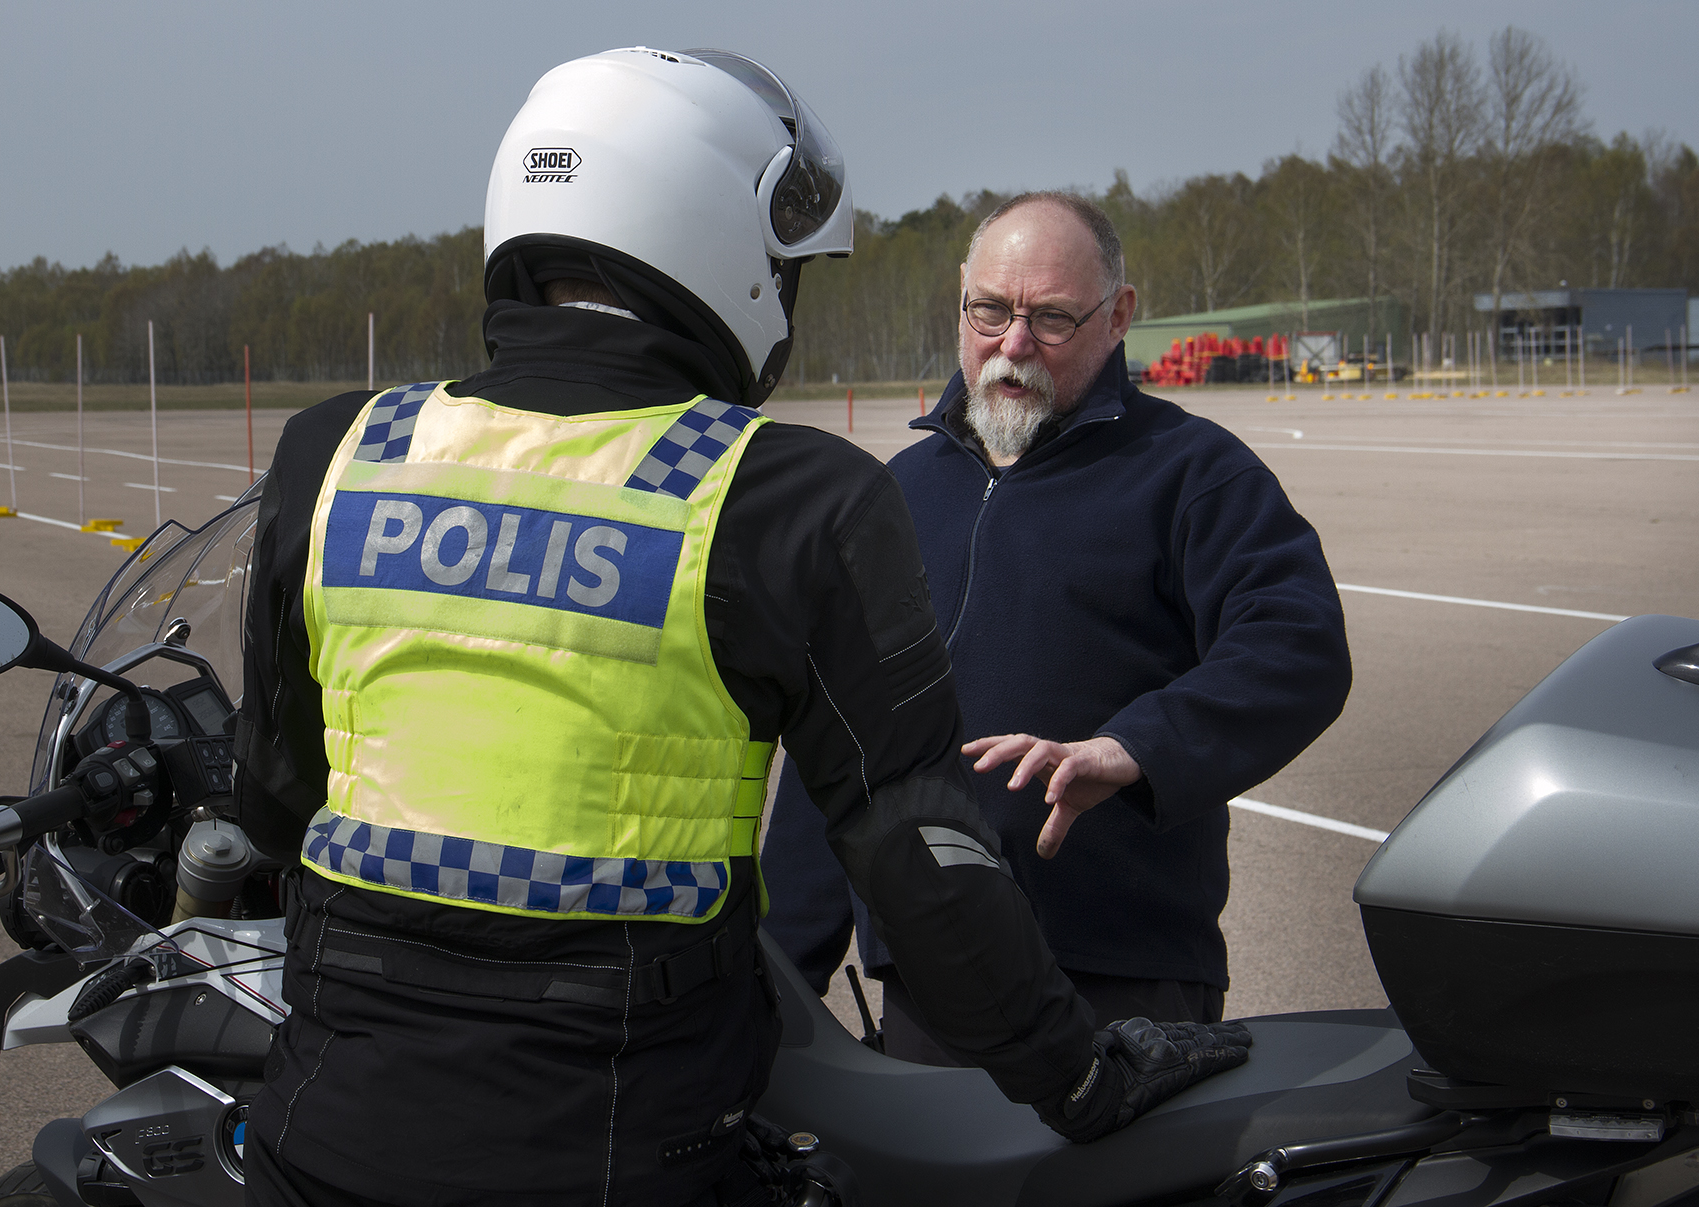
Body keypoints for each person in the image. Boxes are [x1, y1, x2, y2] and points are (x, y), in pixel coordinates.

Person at [232, 55, 1251, 1207]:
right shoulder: (779, 493)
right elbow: (919, 853)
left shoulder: (341, 453)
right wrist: (1080, 1076)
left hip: (322, 1140)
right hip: (623, 1154)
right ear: (713, 240)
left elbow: (273, 798)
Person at [762, 191, 1351, 1065]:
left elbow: (1297, 645)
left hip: (1121, 988)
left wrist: (1135, 748)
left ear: (1118, 318)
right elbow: (835, 750)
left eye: (1052, 319)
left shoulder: (1192, 476)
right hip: (930, 993)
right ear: (962, 298)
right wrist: (770, 982)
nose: (1012, 344)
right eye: (991, 310)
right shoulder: (897, 495)